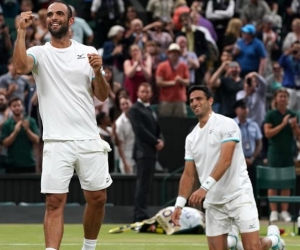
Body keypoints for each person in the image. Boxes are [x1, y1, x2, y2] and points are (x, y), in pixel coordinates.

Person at [12, 1, 112, 250]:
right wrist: (21, 32)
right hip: (57, 141)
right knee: (54, 202)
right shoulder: (39, 52)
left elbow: (102, 95)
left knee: (98, 198)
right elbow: (21, 66)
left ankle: (88, 248)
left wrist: (99, 72)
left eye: (59, 14)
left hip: (89, 138)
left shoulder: (88, 50)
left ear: (70, 21)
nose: (53, 17)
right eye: (49, 14)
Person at [171, 85, 285, 250]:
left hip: (239, 195)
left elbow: (226, 160)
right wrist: (179, 205)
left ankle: (273, 240)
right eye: (191, 101)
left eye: (199, 99)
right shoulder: (191, 138)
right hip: (214, 203)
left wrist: (204, 188)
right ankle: (236, 242)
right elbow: (188, 174)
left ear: (210, 101)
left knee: (252, 248)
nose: (194, 103)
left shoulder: (227, 124)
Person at [128, 82, 164, 222]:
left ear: (151, 93)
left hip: (150, 153)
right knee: (142, 184)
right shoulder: (135, 109)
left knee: (146, 185)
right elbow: (140, 130)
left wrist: (161, 139)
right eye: (142, 91)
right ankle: (139, 214)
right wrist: (156, 141)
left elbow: (157, 128)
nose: (145, 93)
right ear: (137, 93)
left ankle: (142, 212)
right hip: (142, 152)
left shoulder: (150, 109)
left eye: (147, 91)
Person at [264, 88, 300, 223]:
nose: (283, 99)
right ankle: (273, 211)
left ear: (288, 100)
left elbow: (299, 137)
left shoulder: (293, 114)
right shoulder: (271, 114)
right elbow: (267, 133)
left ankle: (284, 211)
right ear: (276, 99)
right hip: (274, 153)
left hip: (288, 153)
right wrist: (283, 124)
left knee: (286, 183)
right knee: (272, 182)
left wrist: (295, 126)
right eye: (280, 97)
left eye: (285, 97)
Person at [1, 96, 39, 173]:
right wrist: (15, 132)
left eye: (19, 105)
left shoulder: (30, 121)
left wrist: (27, 130)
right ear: (10, 108)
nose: (17, 108)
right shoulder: (7, 124)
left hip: (29, 163)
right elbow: (4, 144)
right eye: (14, 106)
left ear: (22, 106)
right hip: (12, 164)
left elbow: (36, 140)